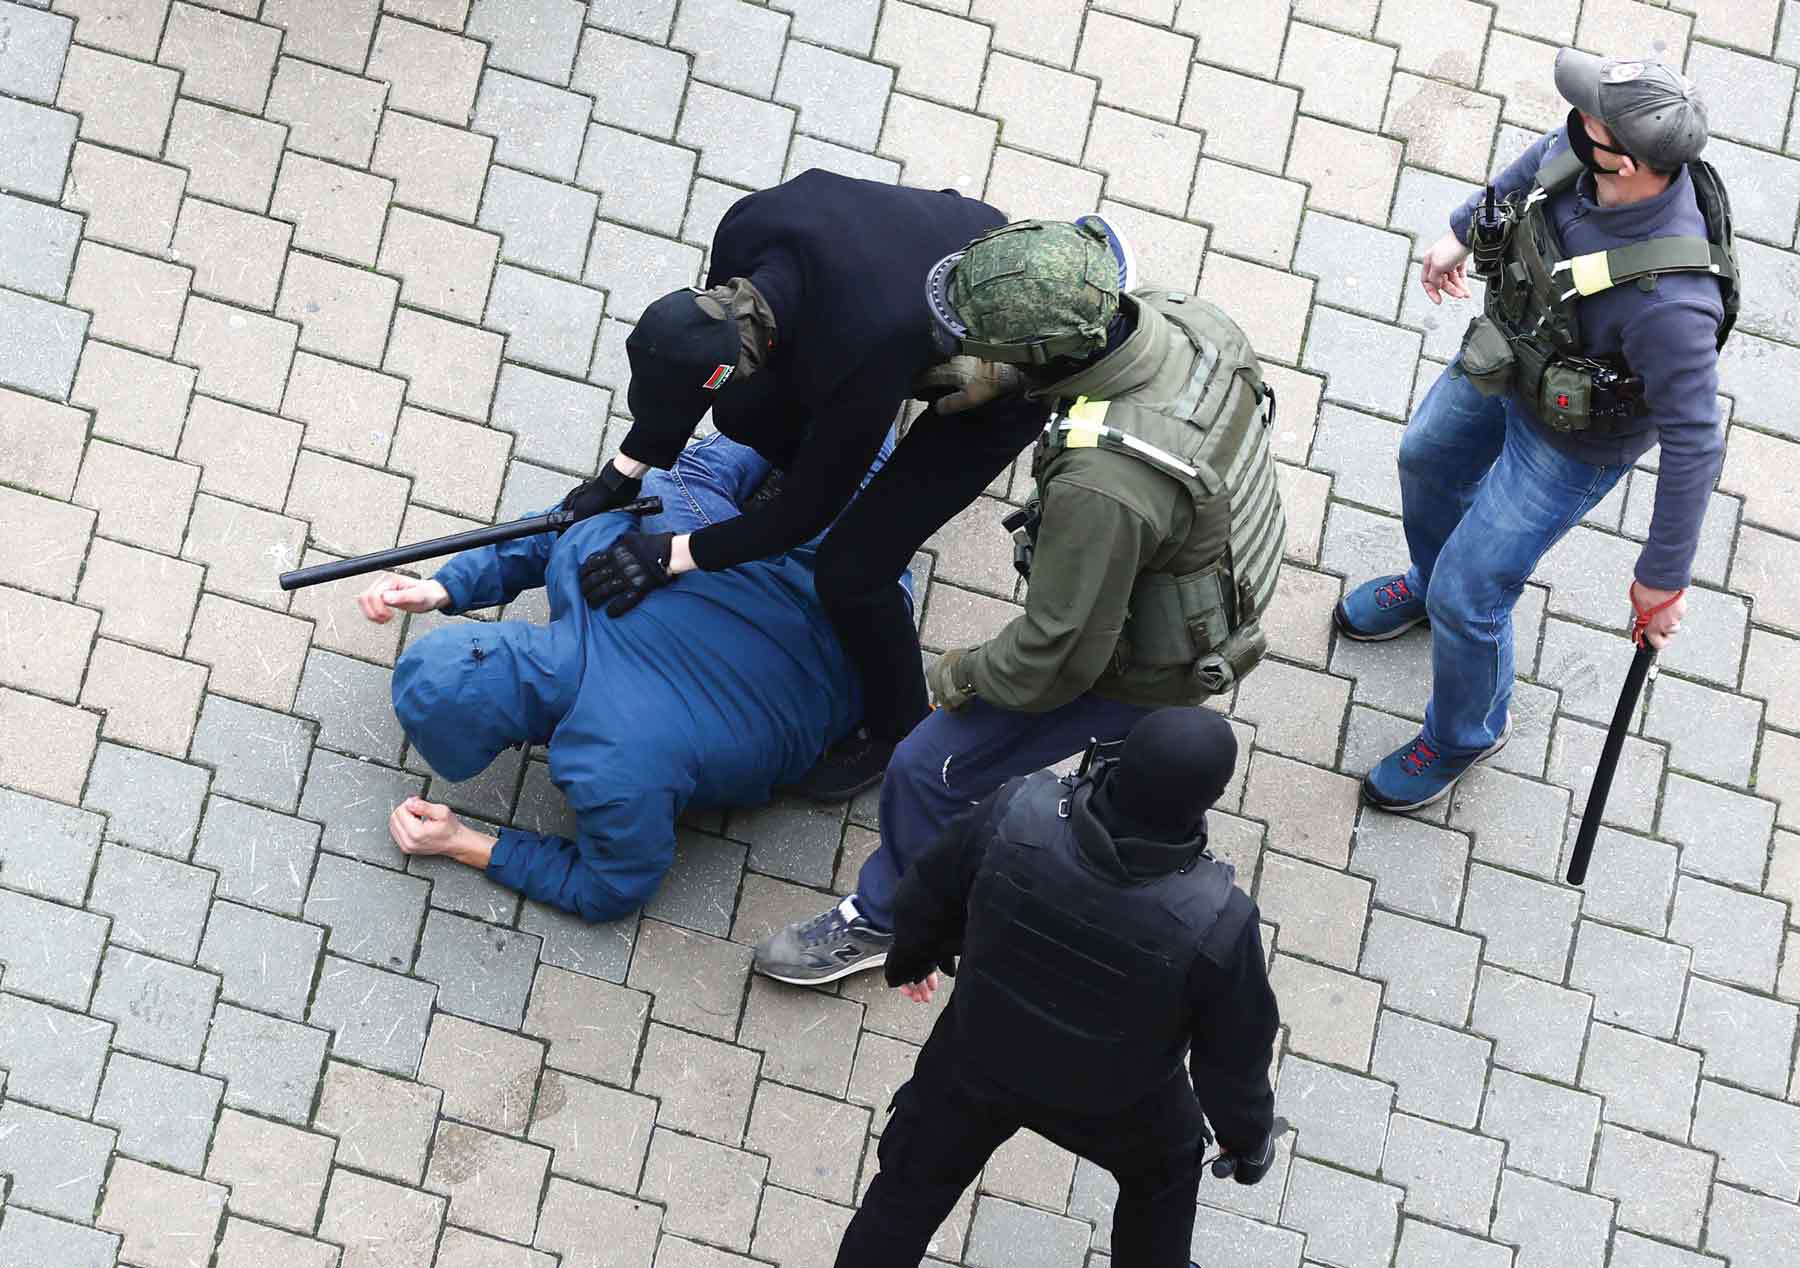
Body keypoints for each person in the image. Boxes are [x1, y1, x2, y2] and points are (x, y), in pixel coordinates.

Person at [755, 218, 1286, 985]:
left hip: (1146, 661)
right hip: (1214, 584)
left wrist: (957, 676)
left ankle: (888, 919)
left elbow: (1057, 656)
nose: (967, 354)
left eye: (985, 346)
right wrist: (1011, 381)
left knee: (924, 767)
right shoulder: (1184, 320)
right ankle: (1118, 758)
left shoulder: (1104, 486)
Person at [563, 171, 1133, 802]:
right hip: (941, 245)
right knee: (742, 413)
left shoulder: (866, 347)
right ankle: (824, 453)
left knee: (851, 570)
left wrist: (670, 555)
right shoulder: (747, 228)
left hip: (1001, 369)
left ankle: (897, 733)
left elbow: (804, 517)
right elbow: (686, 380)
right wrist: (620, 476)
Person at [1336, 49, 1737, 811]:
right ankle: (1429, 587)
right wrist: (1460, 230)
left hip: (1568, 443)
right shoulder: (1586, 155)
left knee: (1473, 591)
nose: (1572, 124)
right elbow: (1534, 166)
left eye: (1590, 118)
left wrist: (1662, 577)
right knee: (1424, 459)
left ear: (1626, 157)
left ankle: (1466, 732)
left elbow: (1695, 440)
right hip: (1509, 356)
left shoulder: (1674, 306)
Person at [360, 433, 909, 922]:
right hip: (776, 573)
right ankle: (847, 405)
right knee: (722, 465)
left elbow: (610, 888)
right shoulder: (585, 559)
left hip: (850, 639)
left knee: (861, 472)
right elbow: (566, 522)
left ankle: (852, 424)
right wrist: (447, 586)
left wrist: (463, 842)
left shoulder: (613, 770)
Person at [835, 708, 1279, 1268]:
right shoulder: (1219, 920)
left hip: (976, 1057)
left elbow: (929, 886)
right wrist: (1247, 1141)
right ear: (1208, 799)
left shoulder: (1016, 810)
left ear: (1121, 756)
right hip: (1117, 1100)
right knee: (1165, 1174)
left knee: (903, 1199)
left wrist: (913, 958)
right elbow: (1233, 1058)